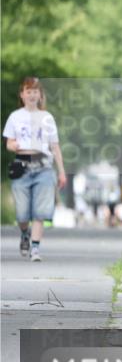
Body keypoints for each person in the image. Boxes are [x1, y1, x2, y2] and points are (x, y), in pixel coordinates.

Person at [3, 77, 67, 261]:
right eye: (28, 91)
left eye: (35, 92)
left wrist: (61, 171)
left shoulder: (47, 118)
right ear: (22, 95)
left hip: (44, 167)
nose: (32, 95)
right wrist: (13, 146)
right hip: (21, 166)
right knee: (22, 213)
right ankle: (25, 233)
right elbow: (9, 142)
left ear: (40, 95)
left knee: (40, 211)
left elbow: (55, 146)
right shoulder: (15, 117)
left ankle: (36, 248)